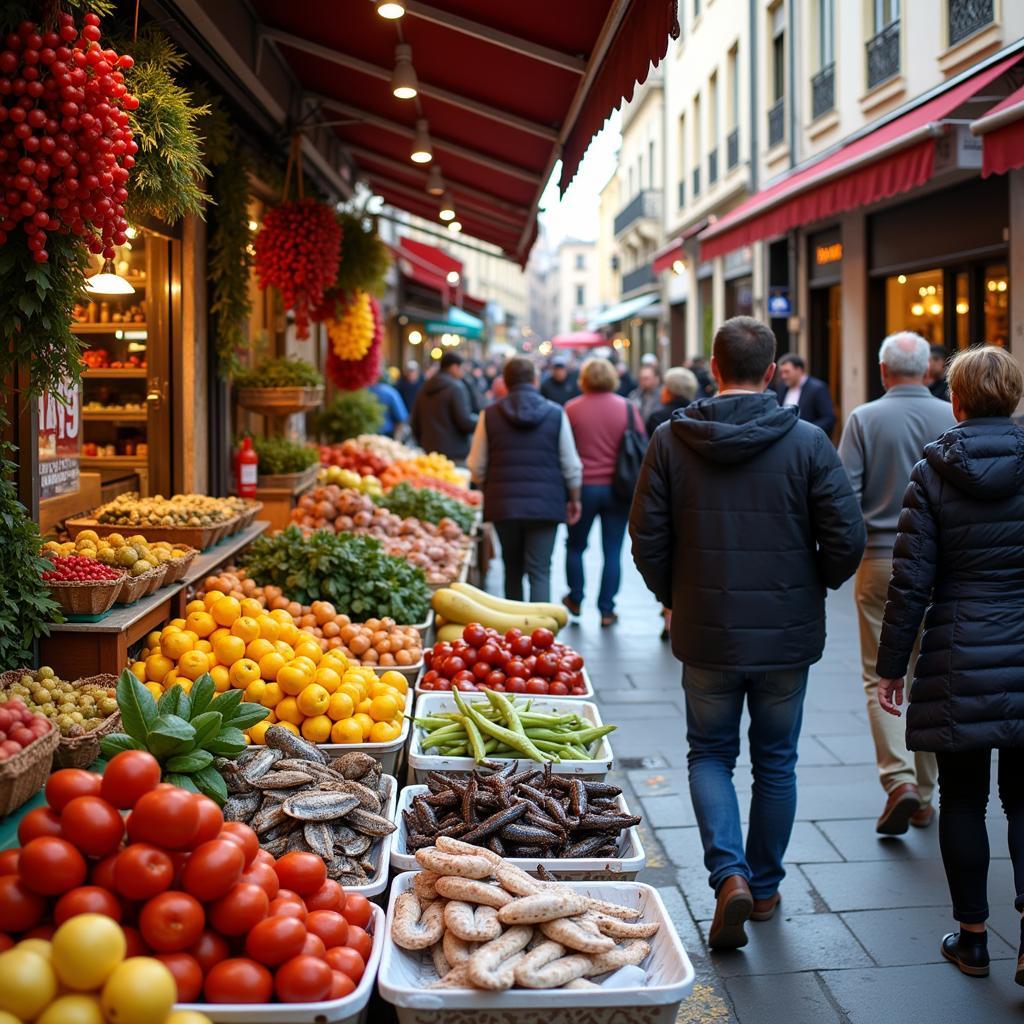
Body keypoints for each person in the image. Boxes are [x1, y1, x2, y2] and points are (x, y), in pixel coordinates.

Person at [629, 316, 865, 950]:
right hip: (787, 633)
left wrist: (672, 597)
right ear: (771, 372)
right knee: (776, 762)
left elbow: (646, 539)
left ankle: (726, 874)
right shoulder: (810, 441)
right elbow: (848, 538)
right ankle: (762, 887)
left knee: (709, 753)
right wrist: (812, 585)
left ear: (713, 367)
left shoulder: (671, 439)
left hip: (706, 630)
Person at [876, 345, 1024, 986]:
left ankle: (973, 940)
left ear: (956, 401)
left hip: (958, 653)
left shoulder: (932, 472)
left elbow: (910, 584)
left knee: (963, 800)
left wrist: (891, 668)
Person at [838, 331, 955, 834]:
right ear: (928, 370)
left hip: (882, 558)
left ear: (884, 371)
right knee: (929, 674)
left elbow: (845, 497)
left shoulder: (864, 419)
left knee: (878, 673)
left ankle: (899, 780)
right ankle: (925, 794)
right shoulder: (953, 416)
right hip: (944, 564)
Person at [467, 357, 582, 602]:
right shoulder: (555, 413)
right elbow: (571, 464)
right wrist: (574, 498)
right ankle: (542, 638)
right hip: (546, 505)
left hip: (504, 504)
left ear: (505, 382)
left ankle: (515, 636)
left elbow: (476, 466)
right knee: (540, 570)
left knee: (512, 569)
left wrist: (489, 486)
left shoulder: (489, 415)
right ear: (535, 380)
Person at [564, 358, 646, 627]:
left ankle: (575, 599)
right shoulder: (628, 408)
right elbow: (641, 443)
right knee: (613, 550)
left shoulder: (572, 409)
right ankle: (607, 609)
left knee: (576, 546)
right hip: (618, 488)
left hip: (582, 489)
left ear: (584, 379)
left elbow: (563, 451)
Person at [409, 351, 478, 463]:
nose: (463, 372)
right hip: (454, 453)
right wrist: (481, 421)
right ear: (454, 367)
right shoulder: (456, 388)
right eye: (462, 368)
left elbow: (414, 420)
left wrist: (422, 442)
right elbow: (464, 422)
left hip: (429, 451)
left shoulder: (425, 387)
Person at [774, 353, 836, 435]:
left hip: (807, 440)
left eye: (787, 372)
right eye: (781, 372)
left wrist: (806, 431)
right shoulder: (782, 387)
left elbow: (829, 419)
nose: (783, 376)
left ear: (799, 370)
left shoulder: (818, 388)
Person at [646, 366, 698, 435]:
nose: (662, 391)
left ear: (672, 390)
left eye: (665, 386)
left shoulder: (657, 418)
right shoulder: (699, 414)